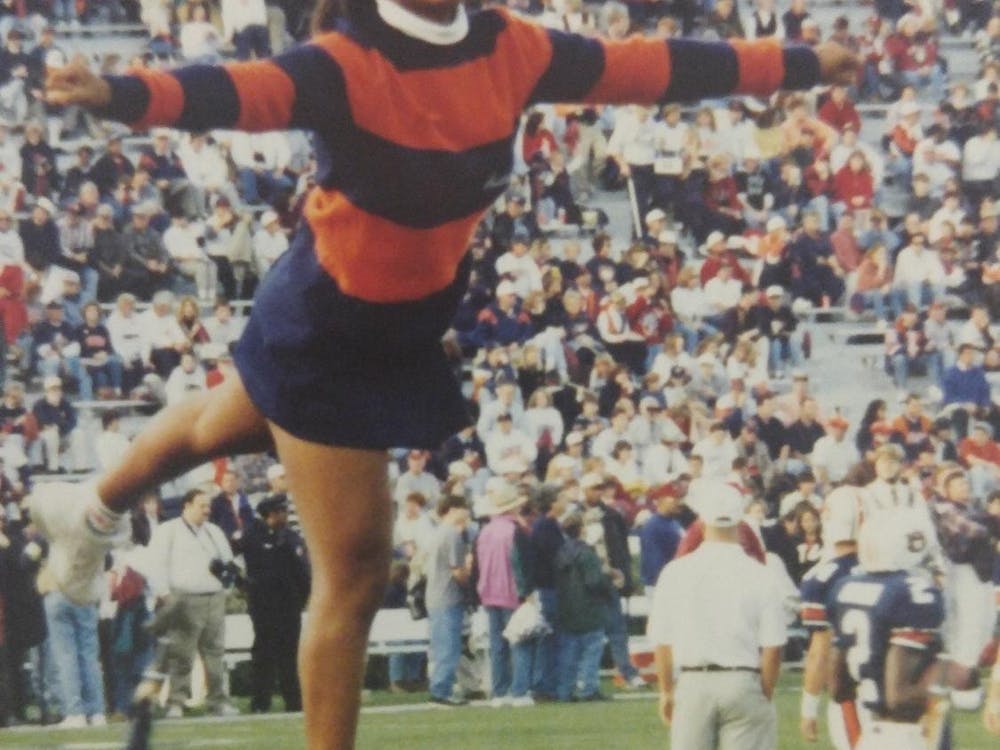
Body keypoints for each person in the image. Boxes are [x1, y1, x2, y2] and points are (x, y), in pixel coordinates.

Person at [32, 2, 858, 747]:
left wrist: (800, 63)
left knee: (223, 422)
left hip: (401, 325)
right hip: (329, 327)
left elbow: (653, 68)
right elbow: (237, 91)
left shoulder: (512, 46)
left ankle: (90, 509)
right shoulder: (346, 62)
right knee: (355, 572)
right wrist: (118, 94)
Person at [649, 478, 786, 750]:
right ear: (740, 519)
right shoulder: (762, 574)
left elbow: (662, 642)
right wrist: (765, 690)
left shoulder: (676, 572)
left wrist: (666, 691)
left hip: (693, 681)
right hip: (742, 678)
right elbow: (773, 646)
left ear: (701, 519)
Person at [828, 510, 946, 750]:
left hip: (872, 734)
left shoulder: (846, 587)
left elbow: (838, 689)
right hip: (906, 735)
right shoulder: (911, 593)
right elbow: (899, 698)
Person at [145, 489, 239, 718]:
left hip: (213, 596)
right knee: (182, 653)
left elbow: (228, 561)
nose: (206, 510)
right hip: (183, 597)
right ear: (186, 506)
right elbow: (155, 563)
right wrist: (164, 593)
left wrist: (227, 587)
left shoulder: (214, 531)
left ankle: (218, 700)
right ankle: (176, 701)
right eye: (201, 505)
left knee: (215, 653)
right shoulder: (169, 530)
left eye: (208, 506)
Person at [797, 486, 861, 749]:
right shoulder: (898, 570)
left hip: (851, 690)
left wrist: (809, 708)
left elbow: (820, 653)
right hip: (897, 691)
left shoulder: (822, 577)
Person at [243, 494, 310, 713]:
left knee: (290, 653)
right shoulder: (253, 536)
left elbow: (302, 571)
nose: (285, 515)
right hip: (263, 604)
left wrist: (302, 597)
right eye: (281, 512)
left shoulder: (291, 537)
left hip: (289, 604)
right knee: (264, 653)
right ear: (270, 514)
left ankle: (294, 701)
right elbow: (254, 569)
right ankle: (260, 702)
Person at [554, 511, 612, 702]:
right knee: (592, 650)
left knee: (568, 653)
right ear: (581, 530)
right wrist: (608, 584)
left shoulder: (560, 553)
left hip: (566, 607)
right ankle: (589, 688)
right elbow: (594, 582)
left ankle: (565, 689)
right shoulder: (587, 553)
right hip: (589, 607)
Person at [424, 495, 472, 707]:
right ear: (453, 509)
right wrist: (469, 579)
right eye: (464, 508)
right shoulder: (451, 534)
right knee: (448, 647)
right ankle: (441, 690)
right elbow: (457, 570)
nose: (467, 513)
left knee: (441, 645)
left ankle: (441, 688)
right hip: (447, 595)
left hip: (435, 595)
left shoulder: (437, 532)